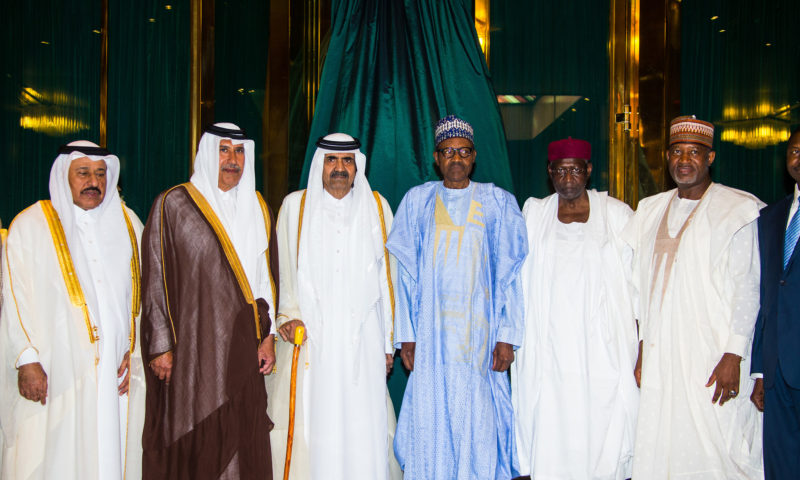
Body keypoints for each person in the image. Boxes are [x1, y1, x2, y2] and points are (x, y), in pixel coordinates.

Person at [387, 115, 528, 479]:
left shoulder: (497, 203)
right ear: (437, 158)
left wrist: (507, 336)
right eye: (448, 152)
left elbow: (510, 277)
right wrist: (407, 336)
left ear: (474, 156)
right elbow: (403, 277)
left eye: (463, 151)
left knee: (478, 419)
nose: (456, 159)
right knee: (432, 417)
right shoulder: (417, 202)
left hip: (479, 340)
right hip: (431, 340)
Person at [624, 115, 764, 479]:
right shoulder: (650, 209)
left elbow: (748, 287)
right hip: (661, 352)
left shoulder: (737, 210)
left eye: (694, 152)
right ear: (667, 157)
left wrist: (734, 354)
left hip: (711, 354)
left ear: (711, 157)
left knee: (718, 446)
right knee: (663, 440)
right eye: (676, 151)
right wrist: (641, 347)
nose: (684, 160)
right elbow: (638, 289)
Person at [140, 123, 278, 479]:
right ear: (207, 153)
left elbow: (265, 278)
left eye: (239, 151)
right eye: (224, 150)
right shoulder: (174, 204)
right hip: (192, 352)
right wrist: (159, 347)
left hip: (244, 348)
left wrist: (268, 335)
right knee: (195, 431)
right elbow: (154, 276)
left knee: (241, 437)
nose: (232, 160)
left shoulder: (258, 206)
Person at [0, 141, 145, 479]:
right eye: (83, 173)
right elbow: (14, 295)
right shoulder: (31, 224)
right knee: (55, 457)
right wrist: (26, 359)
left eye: (100, 174)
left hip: (115, 372)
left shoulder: (129, 223)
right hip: (55, 370)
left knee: (113, 452)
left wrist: (134, 349)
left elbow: (142, 296)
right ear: (65, 176)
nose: (92, 182)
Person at [266, 133, 402, 480]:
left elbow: (389, 280)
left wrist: (388, 343)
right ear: (319, 165)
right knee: (315, 424)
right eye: (331, 160)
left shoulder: (377, 206)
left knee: (363, 424)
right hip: (314, 340)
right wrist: (287, 317)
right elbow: (279, 273)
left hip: (364, 341)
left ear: (357, 167)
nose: (339, 168)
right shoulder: (295, 207)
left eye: (347, 161)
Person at [512, 138, 638, 480]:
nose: (568, 178)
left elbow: (636, 281)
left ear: (589, 171)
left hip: (601, 347)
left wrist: (640, 344)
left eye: (576, 170)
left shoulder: (615, 214)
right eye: (561, 170)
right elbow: (515, 275)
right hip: (547, 346)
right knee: (551, 423)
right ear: (550, 172)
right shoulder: (535, 213)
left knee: (601, 421)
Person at [750, 126, 800, 479]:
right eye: (795, 151)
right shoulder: (769, 218)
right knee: (780, 467)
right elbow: (763, 296)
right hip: (778, 370)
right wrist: (760, 370)